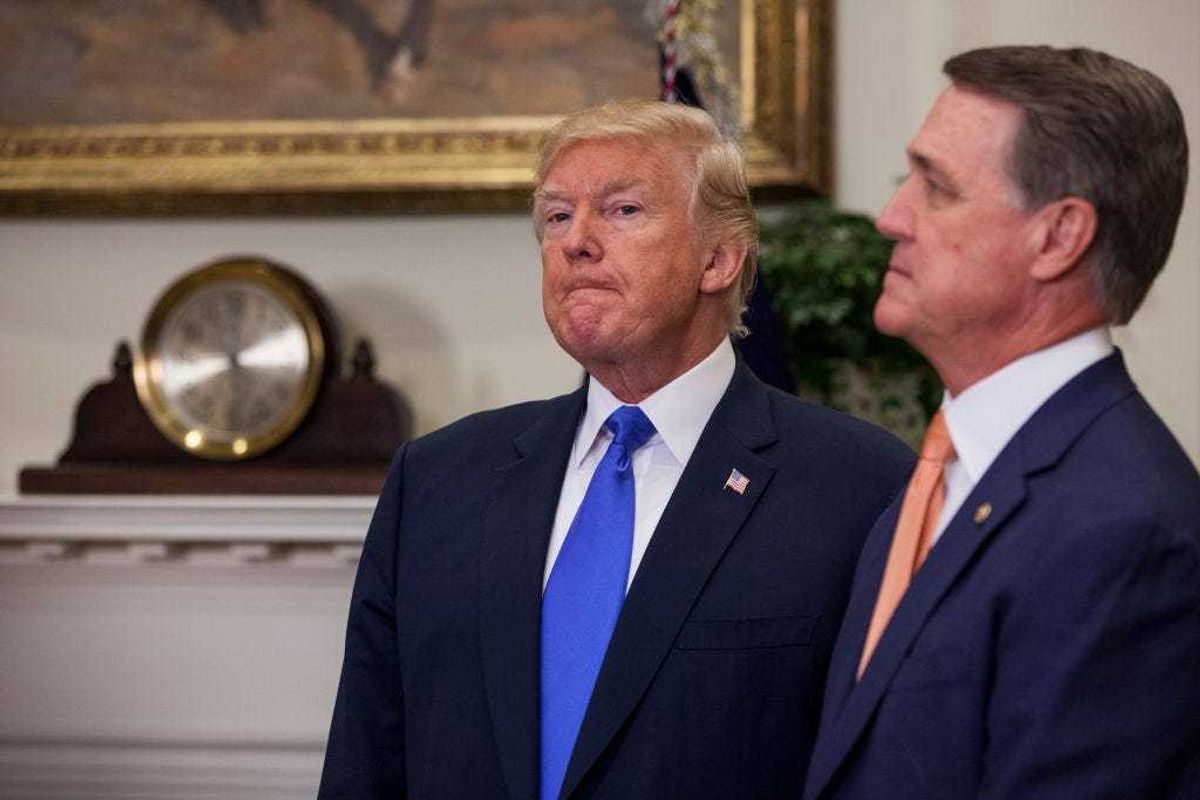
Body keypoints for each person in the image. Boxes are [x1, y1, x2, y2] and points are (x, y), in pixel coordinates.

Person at [318, 100, 913, 799]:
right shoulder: (437, 481)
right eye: (557, 216)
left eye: (623, 210)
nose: (576, 242)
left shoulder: (861, 487)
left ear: (719, 259)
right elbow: (368, 760)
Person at [803, 45, 1200, 800]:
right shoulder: (935, 477)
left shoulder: (1127, 532)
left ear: (1058, 237)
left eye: (937, 188)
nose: (892, 217)